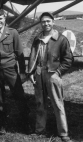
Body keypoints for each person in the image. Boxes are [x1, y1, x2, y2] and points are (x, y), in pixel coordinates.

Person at [0, 9, 30, 135]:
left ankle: (25, 124)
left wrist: (23, 72)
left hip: (11, 70)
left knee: (19, 96)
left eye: (1, 18)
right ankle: (2, 125)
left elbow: (19, 53)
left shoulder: (13, 33)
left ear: (4, 19)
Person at [27, 12, 73, 142]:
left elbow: (68, 59)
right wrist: (30, 72)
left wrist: (58, 72)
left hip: (53, 74)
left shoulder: (61, 39)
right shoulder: (37, 38)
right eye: (43, 21)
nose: (46, 24)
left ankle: (63, 133)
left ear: (53, 22)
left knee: (58, 104)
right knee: (40, 103)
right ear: (40, 23)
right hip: (39, 73)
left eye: (48, 21)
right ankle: (39, 130)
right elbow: (32, 56)